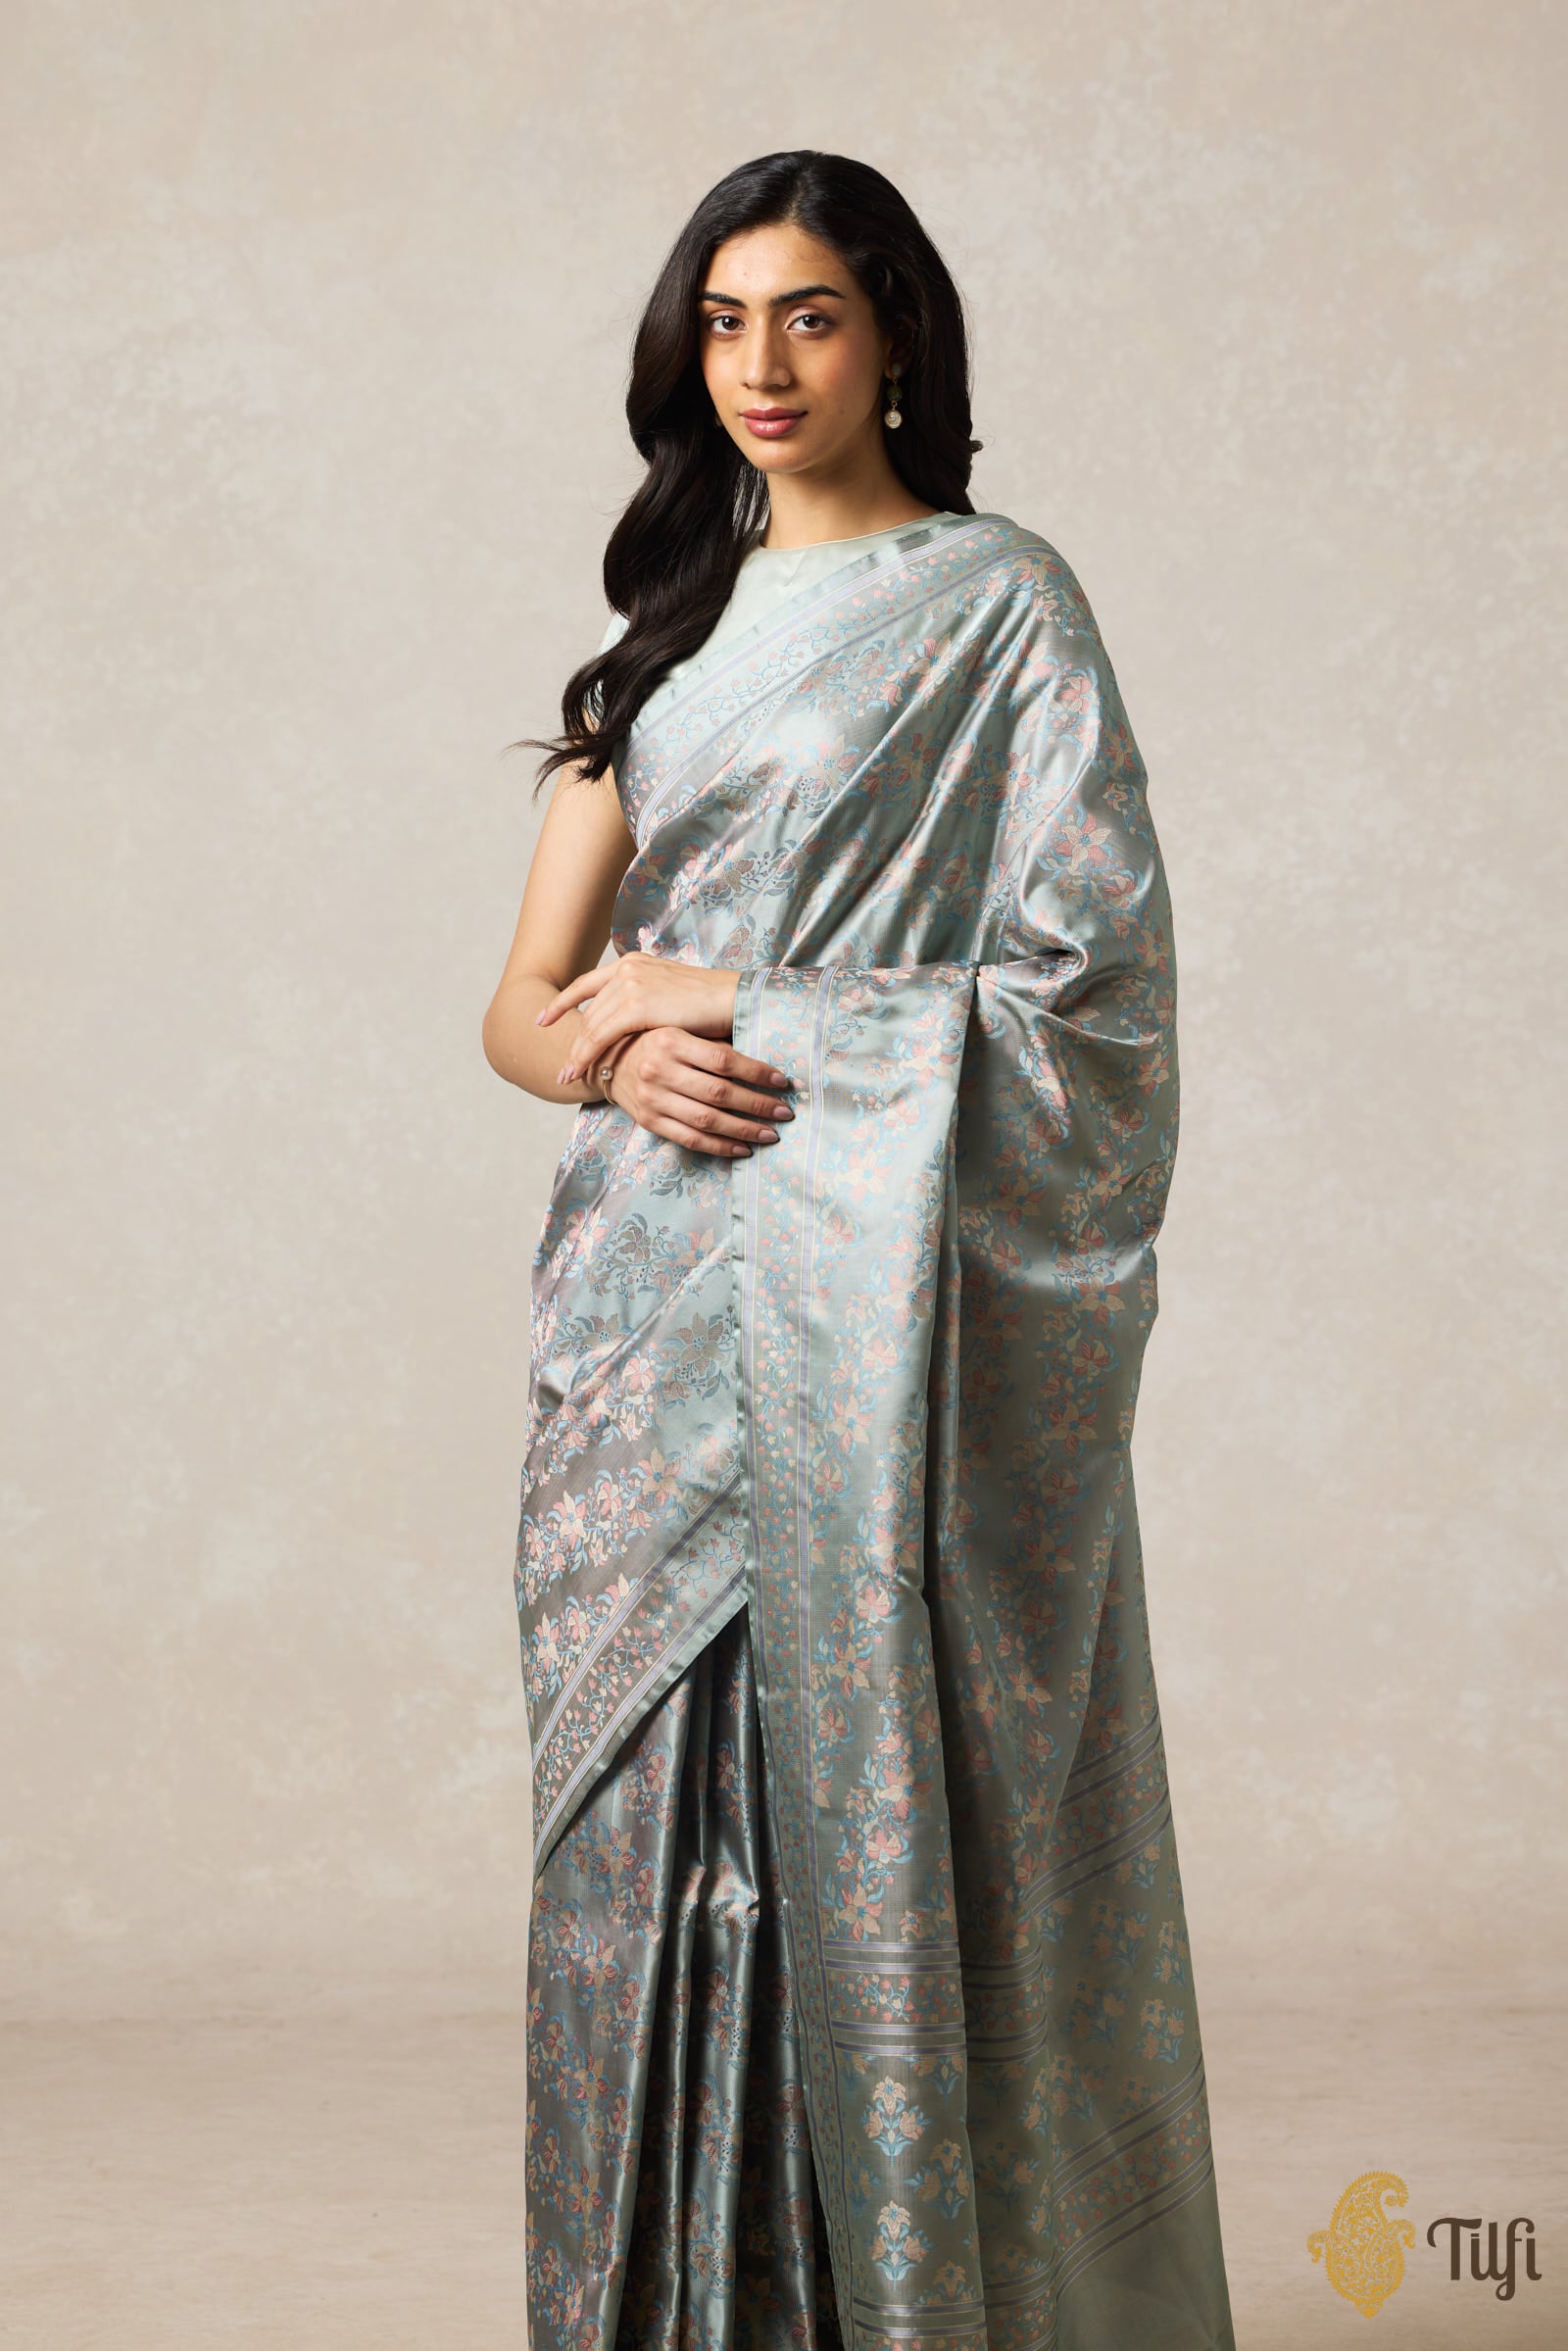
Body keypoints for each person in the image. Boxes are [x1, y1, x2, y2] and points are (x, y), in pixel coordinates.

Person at [482, 147, 1237, 2351]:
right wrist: (619, 1058)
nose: (763, 363)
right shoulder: (664, 645)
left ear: (895, 332)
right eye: (724, 322)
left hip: (875, 1319)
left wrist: (751, 1001)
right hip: (645, 1317)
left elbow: (1095, 1003)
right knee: (646, 1831)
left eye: (808, 313)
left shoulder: (996, 606)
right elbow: (521, 1007)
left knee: (869, 1794)